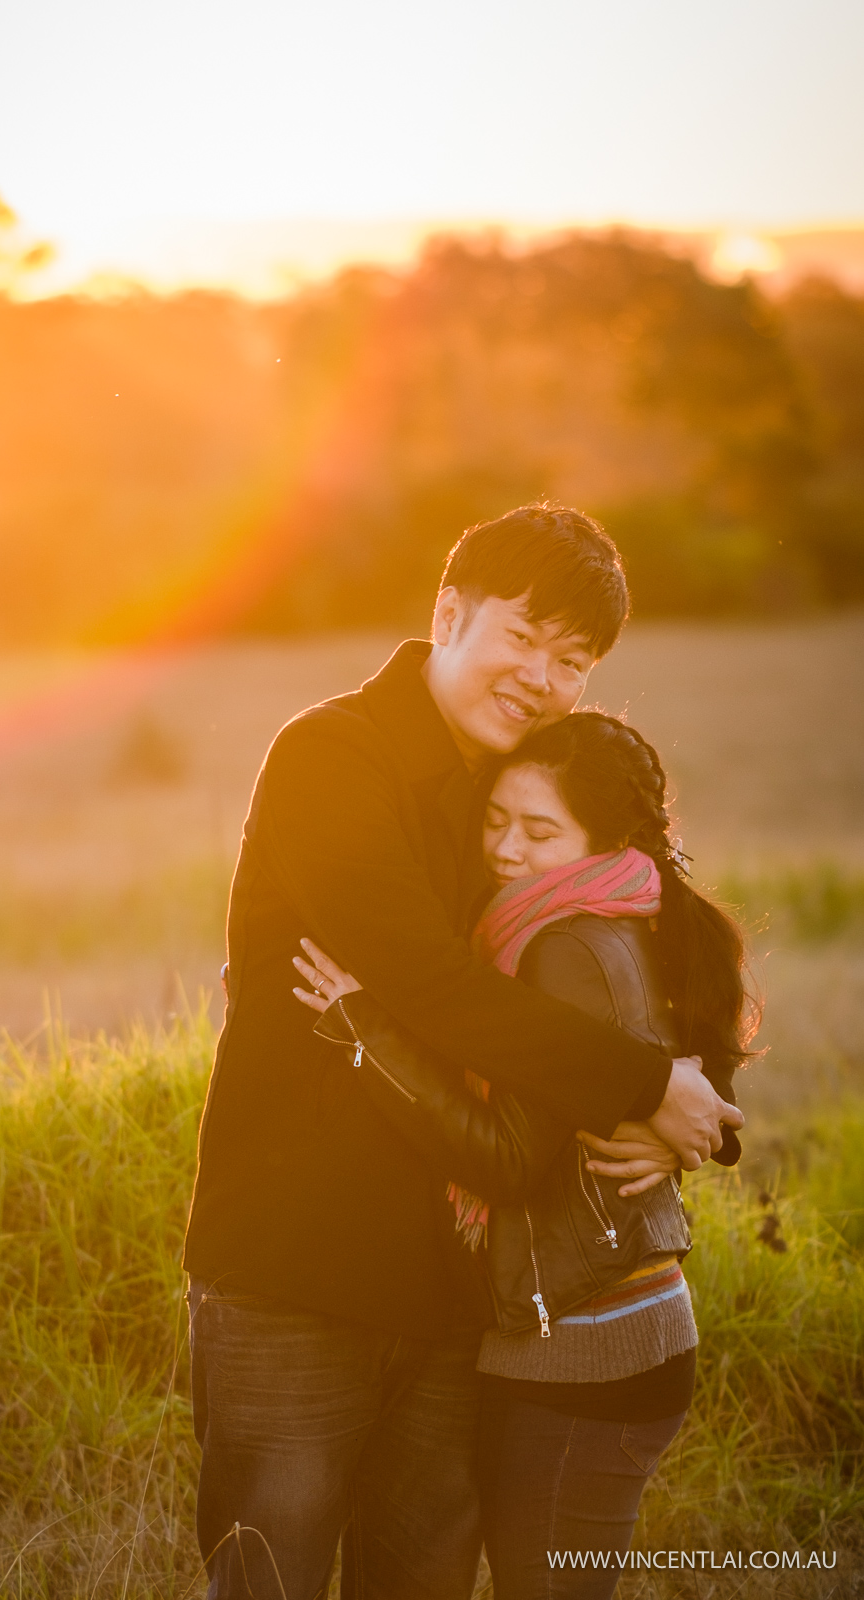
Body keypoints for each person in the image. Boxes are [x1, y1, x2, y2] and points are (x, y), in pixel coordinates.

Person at [183, 503, 742, 1599]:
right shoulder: (331, 756)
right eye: (521, 637)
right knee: (269, 1577)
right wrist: (639, 1087)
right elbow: (426, 987)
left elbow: (638, 944)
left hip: (456, 1296)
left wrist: (695, 1096)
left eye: (570, 659)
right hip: (295, 1267)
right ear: (448, 613)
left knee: (422, 1581)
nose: (539, 675)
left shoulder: (522, 792)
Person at [294, 712, 755, 1598]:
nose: (506, 848)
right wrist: (678, 1119)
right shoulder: (616, 911)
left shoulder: (558, 946)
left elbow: (508, 1164)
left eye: (539, 830)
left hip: (585, 1347)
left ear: (601, 840)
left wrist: (368, 1033)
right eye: (496, 818)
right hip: (608, 1323)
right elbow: (689, 1060)